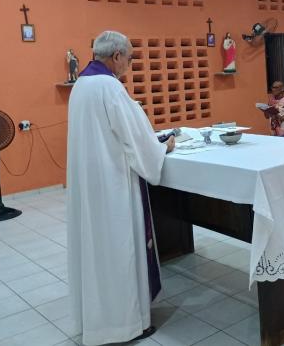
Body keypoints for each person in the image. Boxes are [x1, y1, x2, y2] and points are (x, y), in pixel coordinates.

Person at [67, 31, 176, 345]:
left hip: (91, 185)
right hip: (114, 184)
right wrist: (163, 147)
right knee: (120, 251)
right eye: (129, 57)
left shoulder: (82, 85)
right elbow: (135, 138)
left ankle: (99, 322)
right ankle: (128, 325)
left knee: (98, 253)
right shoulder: (110, 87)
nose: (130, 63)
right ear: (116, 56)